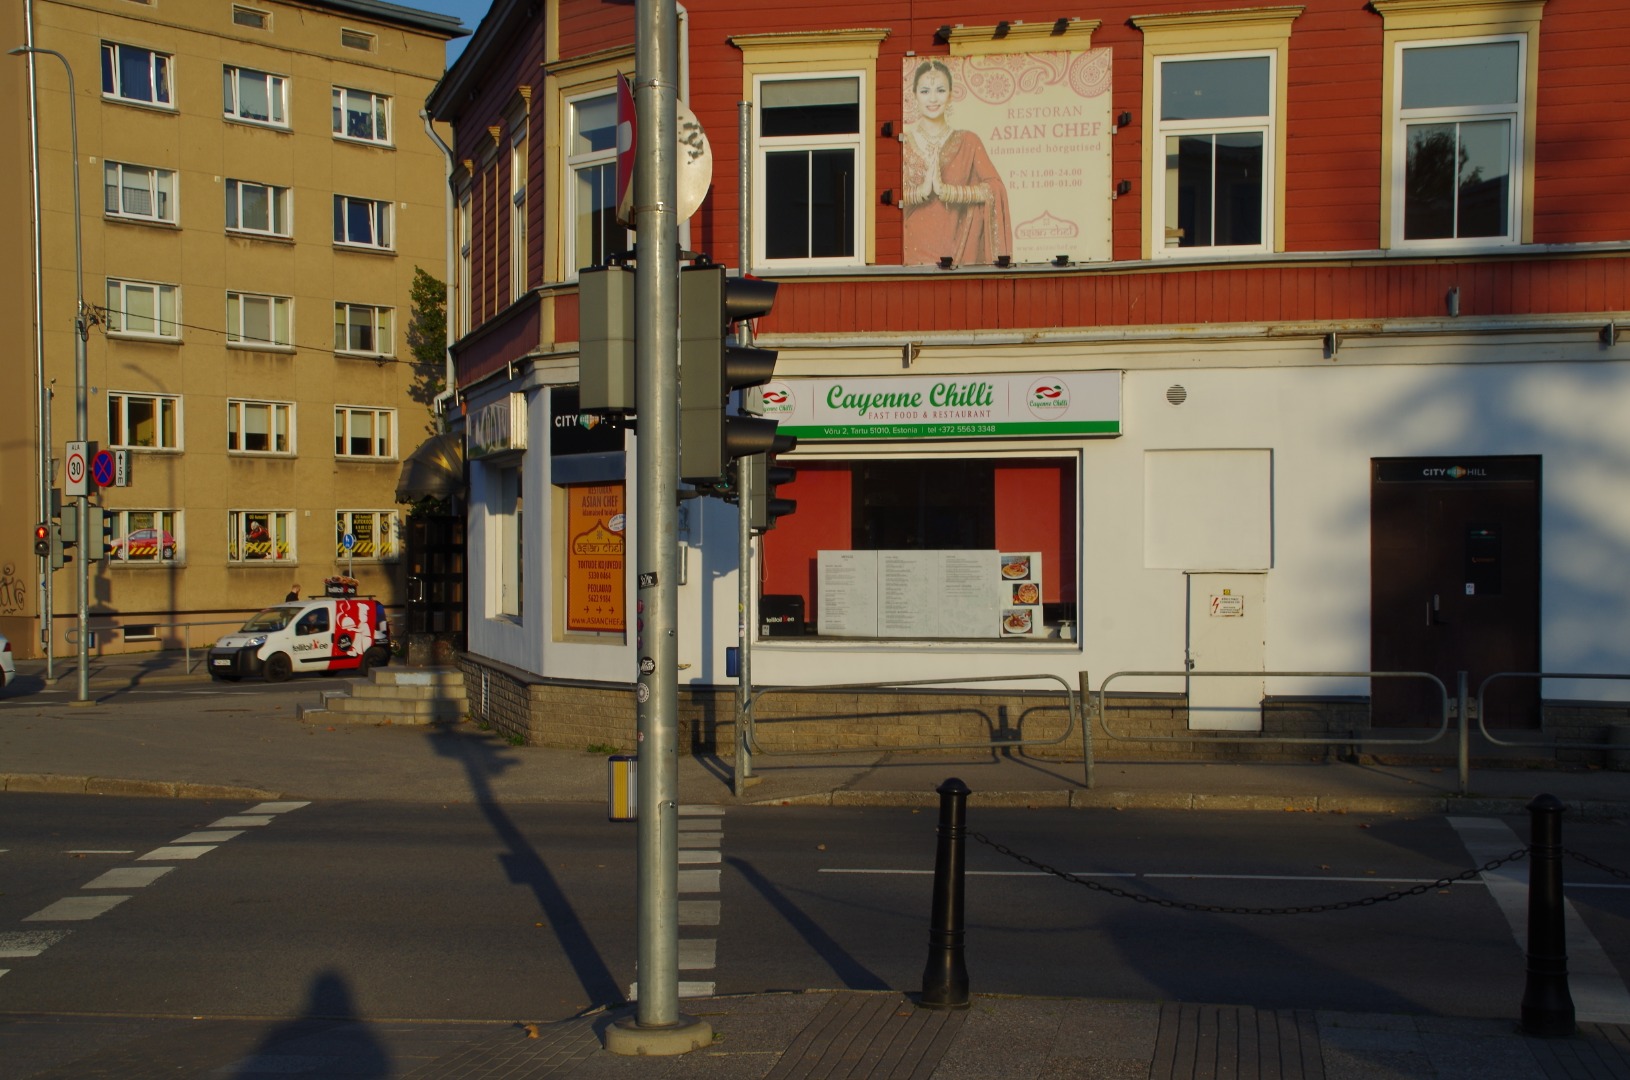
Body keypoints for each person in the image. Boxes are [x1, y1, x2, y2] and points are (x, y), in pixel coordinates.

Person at [902, 59, 1013, 267]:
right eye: (925, 91)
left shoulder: (968, 142)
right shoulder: (903, 144)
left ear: (951, 95)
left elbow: (995, 189)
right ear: (914, 95)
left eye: (940, 90)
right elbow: (884, 202)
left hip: (958, 252)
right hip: (911, 254)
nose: (933, 99)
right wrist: (921, 192)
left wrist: (948, 192)